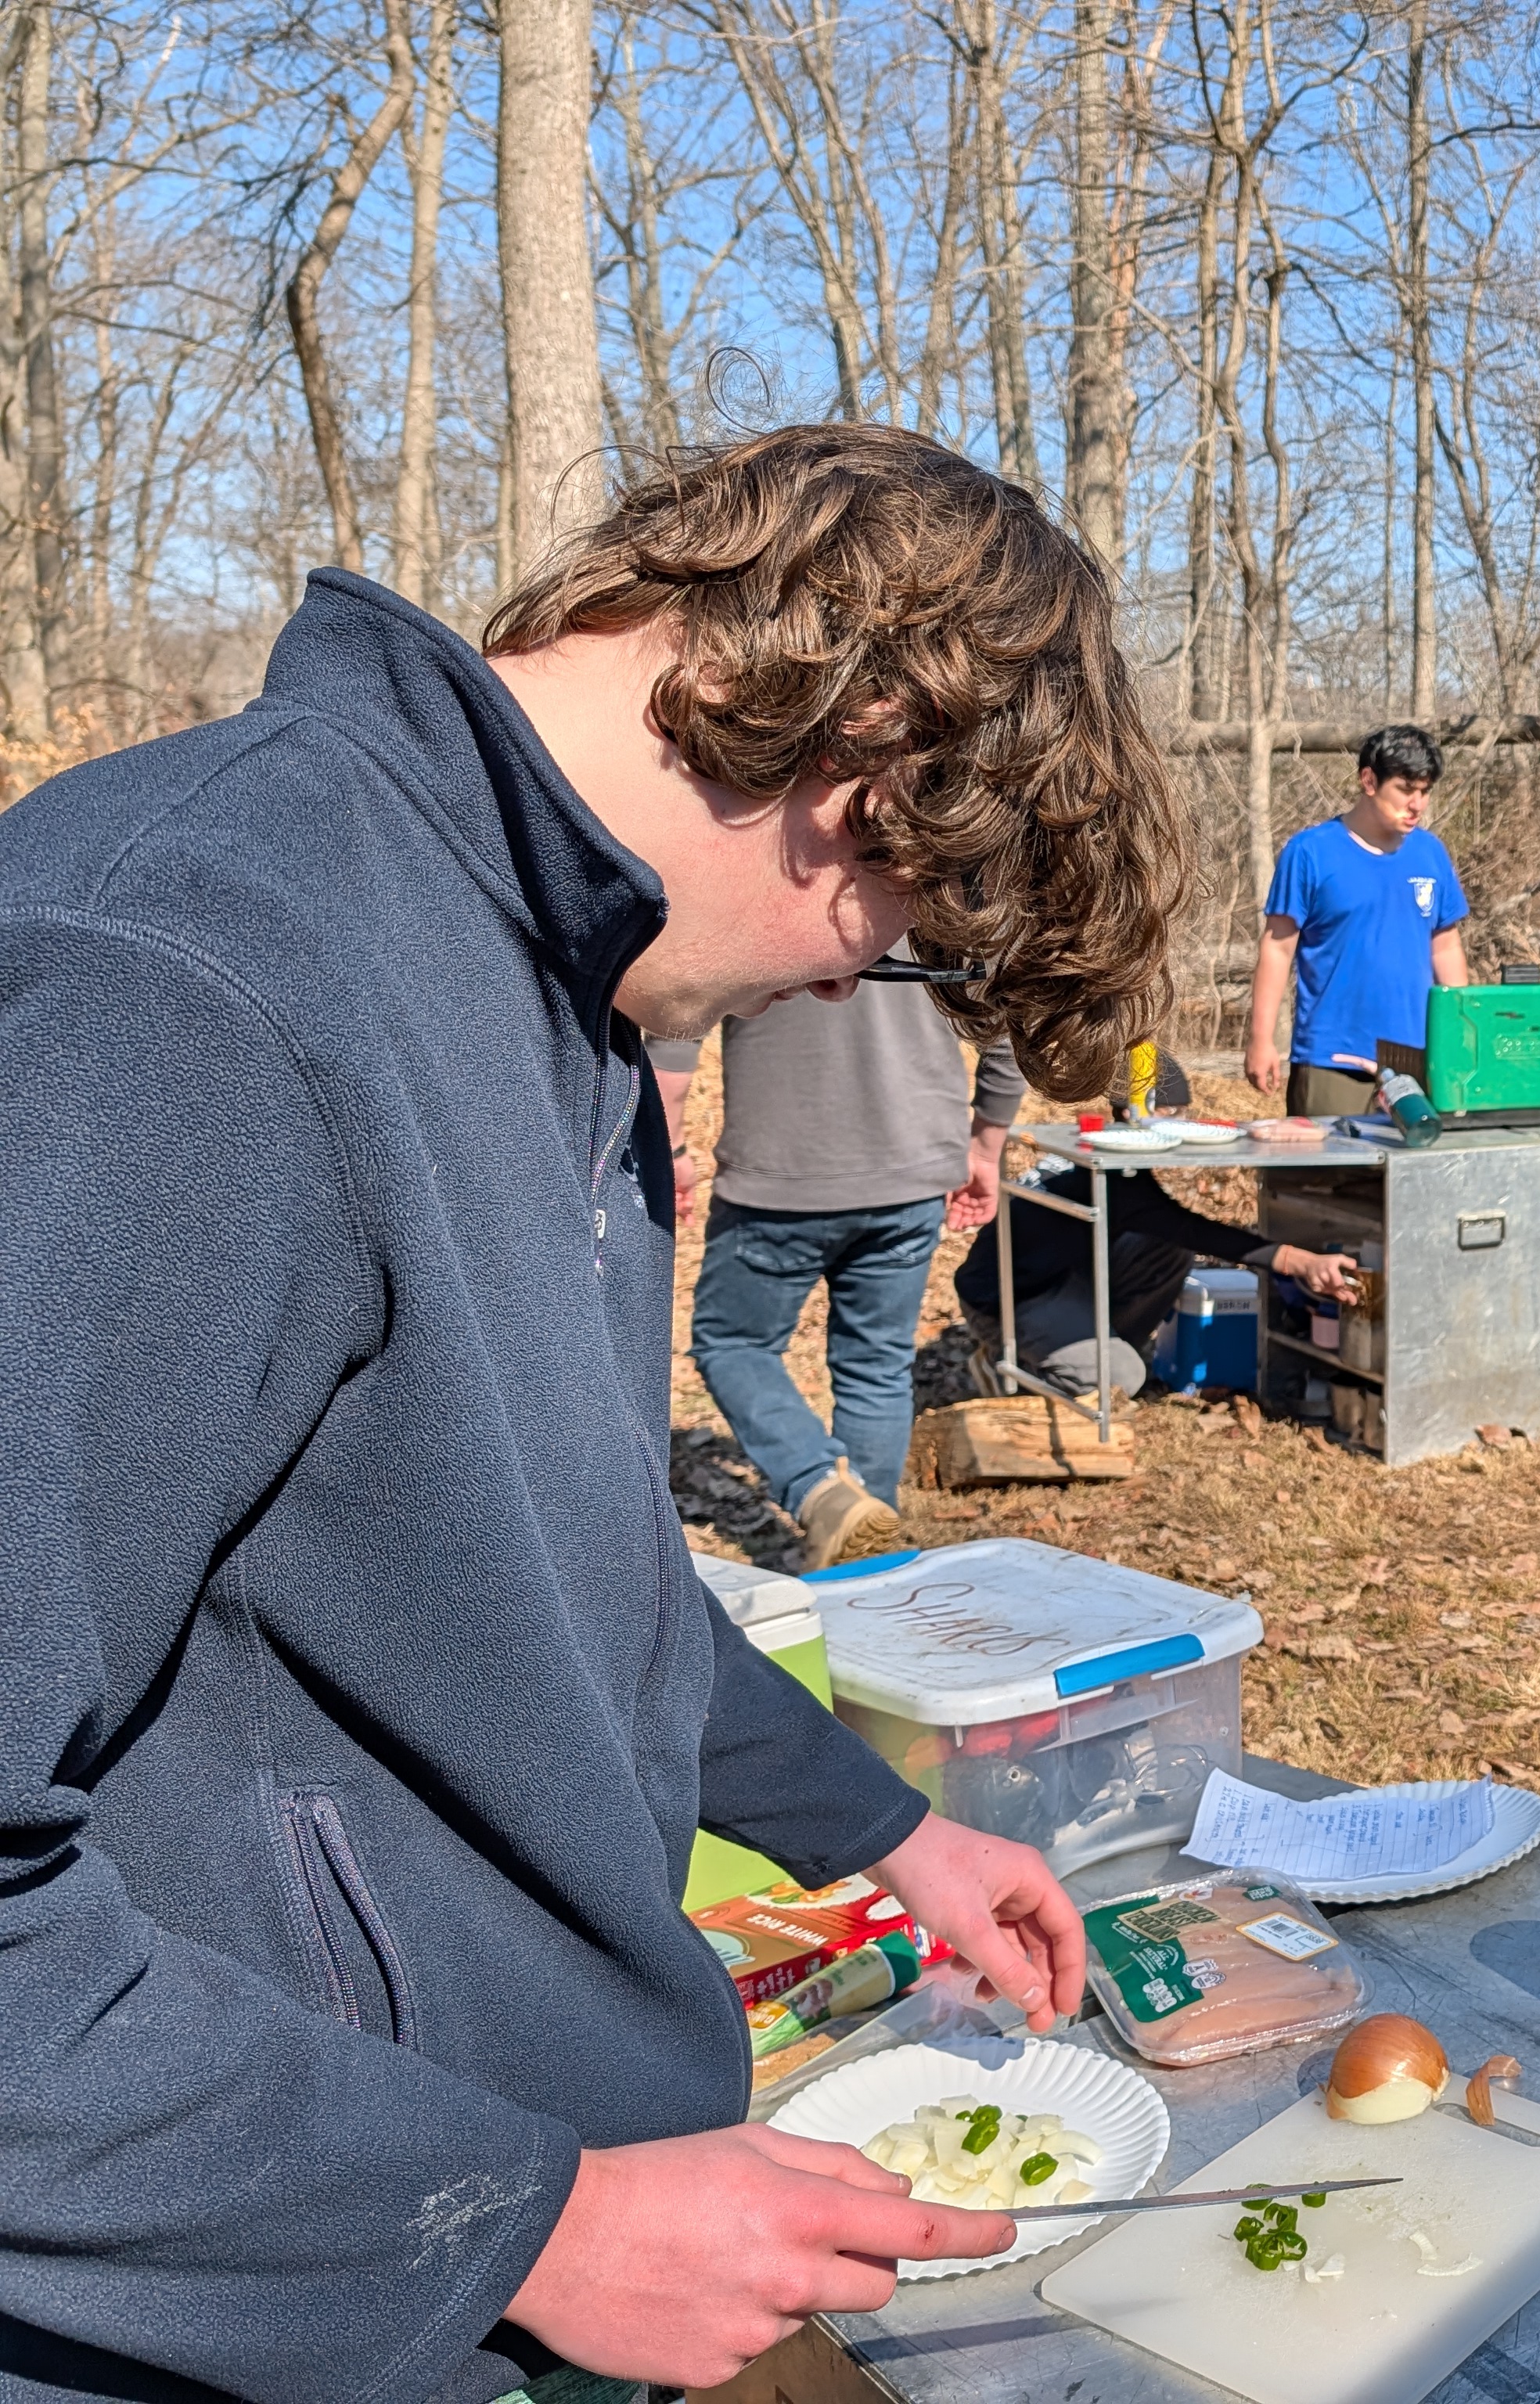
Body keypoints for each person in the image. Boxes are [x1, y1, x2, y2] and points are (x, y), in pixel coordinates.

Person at [0, 423, 1186, 2397]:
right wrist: (525, 2222)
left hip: (494, 2252)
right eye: (893, 918)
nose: (857, 985)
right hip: (253, 2309)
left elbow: (541, 1564)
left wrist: (879, 1822)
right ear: (867, 748)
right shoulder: (181, 980)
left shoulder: (565, 986)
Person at [652, 982, 1023, 1568]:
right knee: (878, 1362)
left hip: (780, 1176)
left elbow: (680, 1010)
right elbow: (1008, 1021)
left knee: (734, 1345)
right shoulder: (946, 915)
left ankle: (823, 1493)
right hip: (913, 1170)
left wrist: (669, 1146)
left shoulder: (751, 911)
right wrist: (986, 1145)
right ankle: (867, 1551)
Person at [958, 1047, 1363, 1397]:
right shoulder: (1116, 1179)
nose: (1179, 1122)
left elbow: (1176, 1231)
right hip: (1008, 1299)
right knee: (1124, 1378)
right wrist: (1298, 1260)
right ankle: (1011, 1366)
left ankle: (1098, 1349)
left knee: (1165, 1249)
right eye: (1171, 1113)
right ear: (1135, 1113)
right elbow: (1195, 1230)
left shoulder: (1108, 1158)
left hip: (1058, 1275)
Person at [1246, 722, 1470, 1118]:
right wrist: (1261, 1039)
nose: (1417, 804)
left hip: (1418, 1055)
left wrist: (1462, 1033)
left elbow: (1445, 945)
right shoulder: (1310, 852)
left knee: (1415, 1160)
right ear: (1369, 781)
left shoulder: (1431, 853)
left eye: (1425, 791)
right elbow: (1278, 948)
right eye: (1405, 789)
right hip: (1333, 1057)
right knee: (1325, 1160)